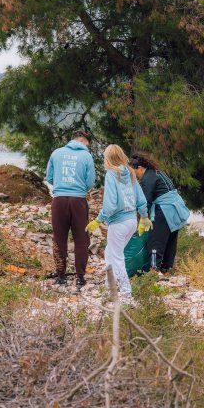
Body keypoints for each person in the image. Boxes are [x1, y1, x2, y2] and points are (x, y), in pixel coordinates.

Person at [86, 145, 150, 304]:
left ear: (107, 158)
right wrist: (144, 217)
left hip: (119, 223)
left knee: (117, 257)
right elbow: (141, 199)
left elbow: (110, 205)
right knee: (110, 252)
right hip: (131, 222)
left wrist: (98, 220)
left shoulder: (111, 174)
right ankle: (109, 288)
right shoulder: (130, 173)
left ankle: (127, 295)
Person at [46, 130, 96, 287]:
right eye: (87, 144)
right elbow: (90, 181)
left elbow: (49, 177)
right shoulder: (86, 156)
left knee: (59, 237)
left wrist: (62, 186)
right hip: (78, 200)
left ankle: (61, 276)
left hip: (59, 199)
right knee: (81, 239)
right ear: (81, 139)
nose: (87, 147)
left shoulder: (56, 153)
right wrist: (79, 189)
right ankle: (80, 276)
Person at [129, 152, 190, 275]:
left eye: (133, 172)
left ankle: (153, 270)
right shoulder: (158, 172)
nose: (134, 175)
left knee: (155, 240)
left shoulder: (147, 178)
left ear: (139, 168)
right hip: (175, 209)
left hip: (164, 210)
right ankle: (166, 269)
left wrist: (142, 218)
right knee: (170, 240)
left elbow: (146, 201)